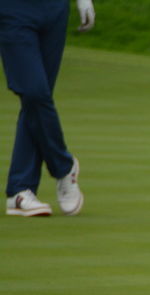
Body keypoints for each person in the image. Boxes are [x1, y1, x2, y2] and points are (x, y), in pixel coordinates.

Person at [1, 0, 93, 217]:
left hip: (54, 9)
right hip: (12, 10)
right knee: (33, 92)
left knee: (38, 100)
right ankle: (63, 166)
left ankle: (20, 191)